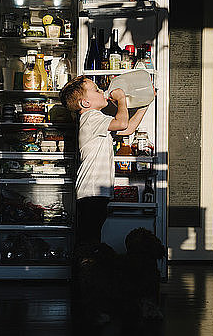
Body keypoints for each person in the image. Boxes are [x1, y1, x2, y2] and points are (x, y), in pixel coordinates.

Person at [60, 75, 150, 246]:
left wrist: (145, 103)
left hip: (94, 193)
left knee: (90, 240)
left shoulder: (96, 119)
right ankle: (87, 271)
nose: (102, 91)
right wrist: (121, 98)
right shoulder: (91, 118)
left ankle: (89, 269)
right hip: (91, 192)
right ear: (85, 103)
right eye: (96, 90)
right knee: (89, 243)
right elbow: (122, 123)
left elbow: (128, 129)